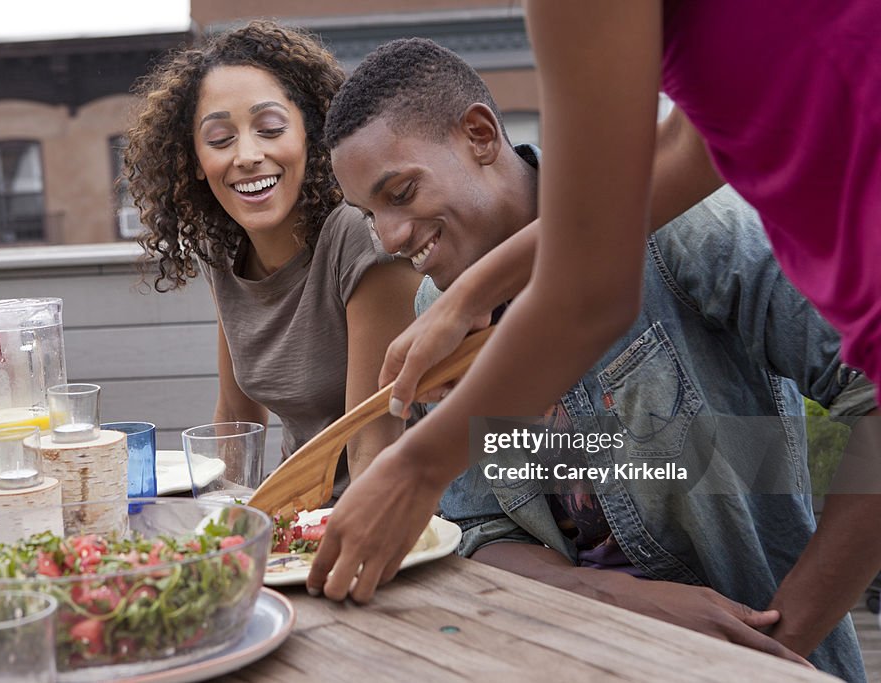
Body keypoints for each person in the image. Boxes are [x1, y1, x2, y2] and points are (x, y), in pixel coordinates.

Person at [309, 35, 881, 670]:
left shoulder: (679, 231)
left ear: (479, 134)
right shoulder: (433, 317)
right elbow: (476, 527)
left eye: (401, 193)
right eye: (368, 215)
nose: (388, 239)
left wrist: (774, 647)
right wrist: (615, 599)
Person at [124, 21, 421, 487]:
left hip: (402, 513)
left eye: (269, 128)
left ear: (312, 134)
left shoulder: (359, 236)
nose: (246, 155)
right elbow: (236, 415)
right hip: (299, 510)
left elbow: (373, 444)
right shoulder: (221, 250)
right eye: (220, 139)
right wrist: (231, 519)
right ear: (196, 162)